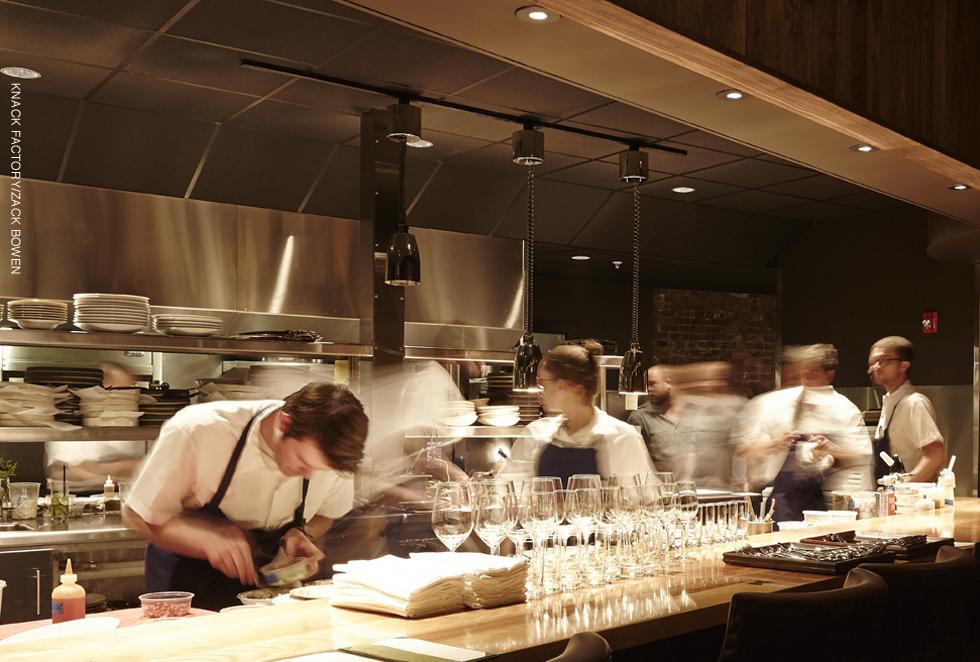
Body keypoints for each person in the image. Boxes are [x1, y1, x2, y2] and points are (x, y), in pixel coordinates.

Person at [122, 383, 369, 610]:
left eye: (321, 470)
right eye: (303, 462)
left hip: (271, 597)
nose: (311, 475)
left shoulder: (333, 457)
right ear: (284, 424)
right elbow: (137, 515)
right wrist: (205, 540)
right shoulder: (200, 431)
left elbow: (328, 513)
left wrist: (302, 534)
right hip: (189, 585)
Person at [735, 345, 866, 521]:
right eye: (802, 373)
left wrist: (831, 450)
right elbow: (745, 448)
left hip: (826, 501)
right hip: (781, 499)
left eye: (812, 373)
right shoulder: (777, 403)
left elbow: (860, 456)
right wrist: (775, 444)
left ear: (829, 375)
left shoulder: (844, 408)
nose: (805, 379)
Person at [500, 340, 653, 487]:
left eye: (543, 383)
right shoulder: (536, 433)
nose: (540, 390)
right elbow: (508, 488)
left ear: (566, 386)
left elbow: (645, 500)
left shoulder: (622, 439)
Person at [868, 336, 945, 482]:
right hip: (892, 498)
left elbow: (936, 456)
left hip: (913, 500)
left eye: (883, 361)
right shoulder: (890, 402)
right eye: (872, 363)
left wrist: (905, 486)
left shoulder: (914, 403)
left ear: (903, 365)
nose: (875, 367)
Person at [627, 365, 678, 475]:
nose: (649, 389)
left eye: (652, 384)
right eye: (647, 385)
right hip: (659, 487)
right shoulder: (639, 418)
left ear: (668, 383)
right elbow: (636, 460)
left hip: (693, 487)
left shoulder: (687, 414)